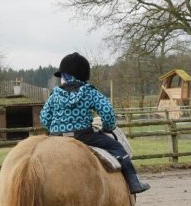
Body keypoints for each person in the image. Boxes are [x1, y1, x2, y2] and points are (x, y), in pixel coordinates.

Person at [40, 52, 149, 195]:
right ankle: (134, 183)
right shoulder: (88, 91)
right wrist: (107, 127)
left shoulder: (55, 95)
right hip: (83, 136)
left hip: (57, 137)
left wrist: (54, 130)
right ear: (83, 75)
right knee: (117, 147)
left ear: (65, 77)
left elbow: (44, 118)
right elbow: (107, 112)